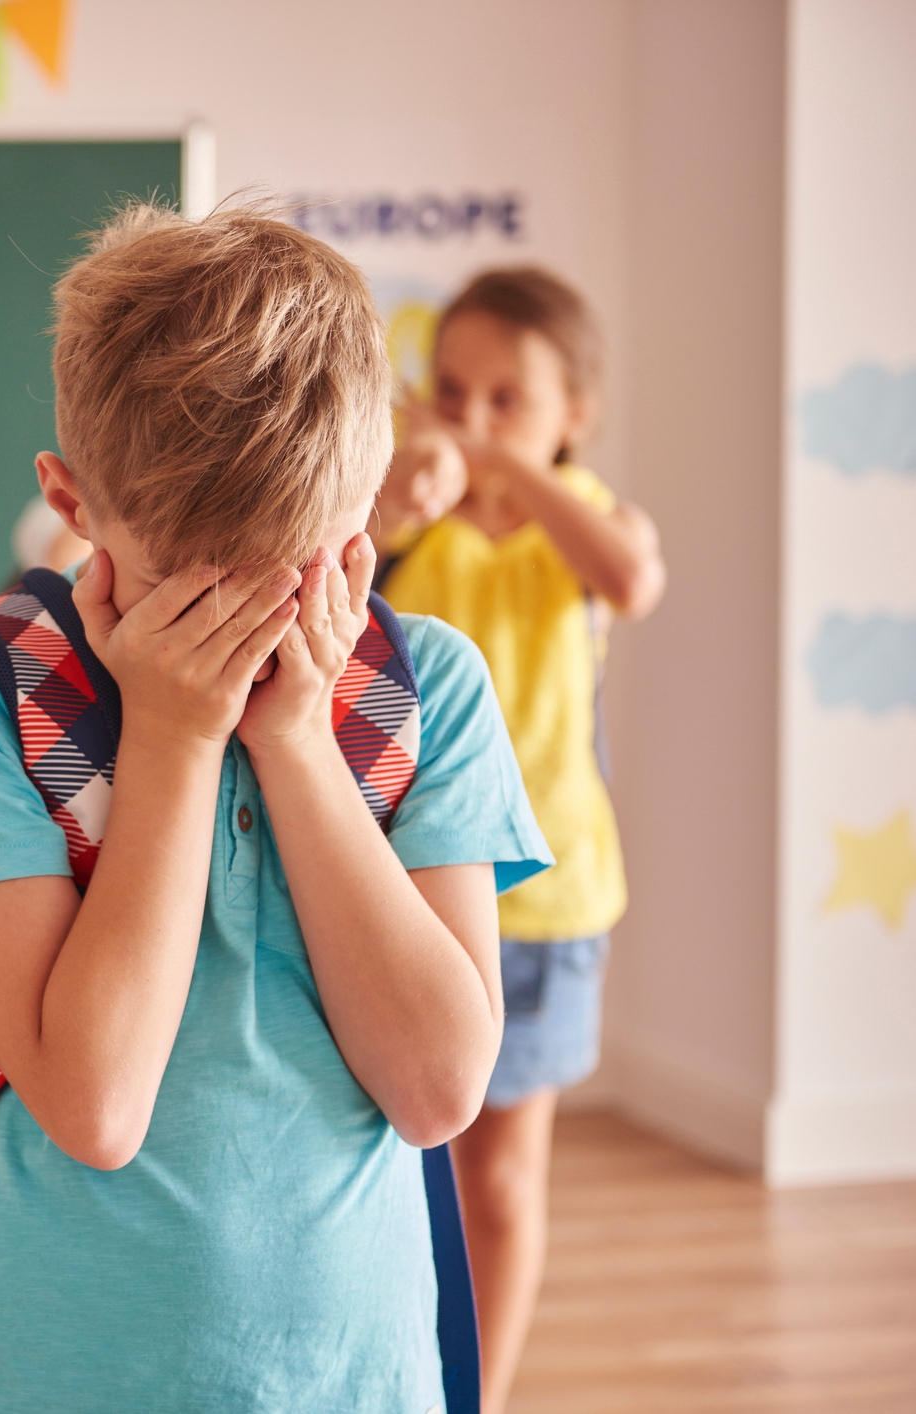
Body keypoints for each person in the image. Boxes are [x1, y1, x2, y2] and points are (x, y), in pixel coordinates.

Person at [0, 204, 553, 1412]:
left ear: (369, 496)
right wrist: (171, 739)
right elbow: (96, 1103)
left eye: (297, 568)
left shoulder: (427, 687)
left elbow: (437, 1090)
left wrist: (293, 739)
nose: (252, 629)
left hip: (362, 1382)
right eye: (190, 583)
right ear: (71, 500)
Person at [376, 267, 665, 1412]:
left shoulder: (592, 519)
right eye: (454, 391)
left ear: (574, 414)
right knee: (411, 1169)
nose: (476, 417)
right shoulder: (415, 523)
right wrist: (412, 495)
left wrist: (502, 469)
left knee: (500, 1179)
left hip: (545, 901)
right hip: (408, 895)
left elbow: (632, 577)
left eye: (511, 399)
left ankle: (477, 1395)